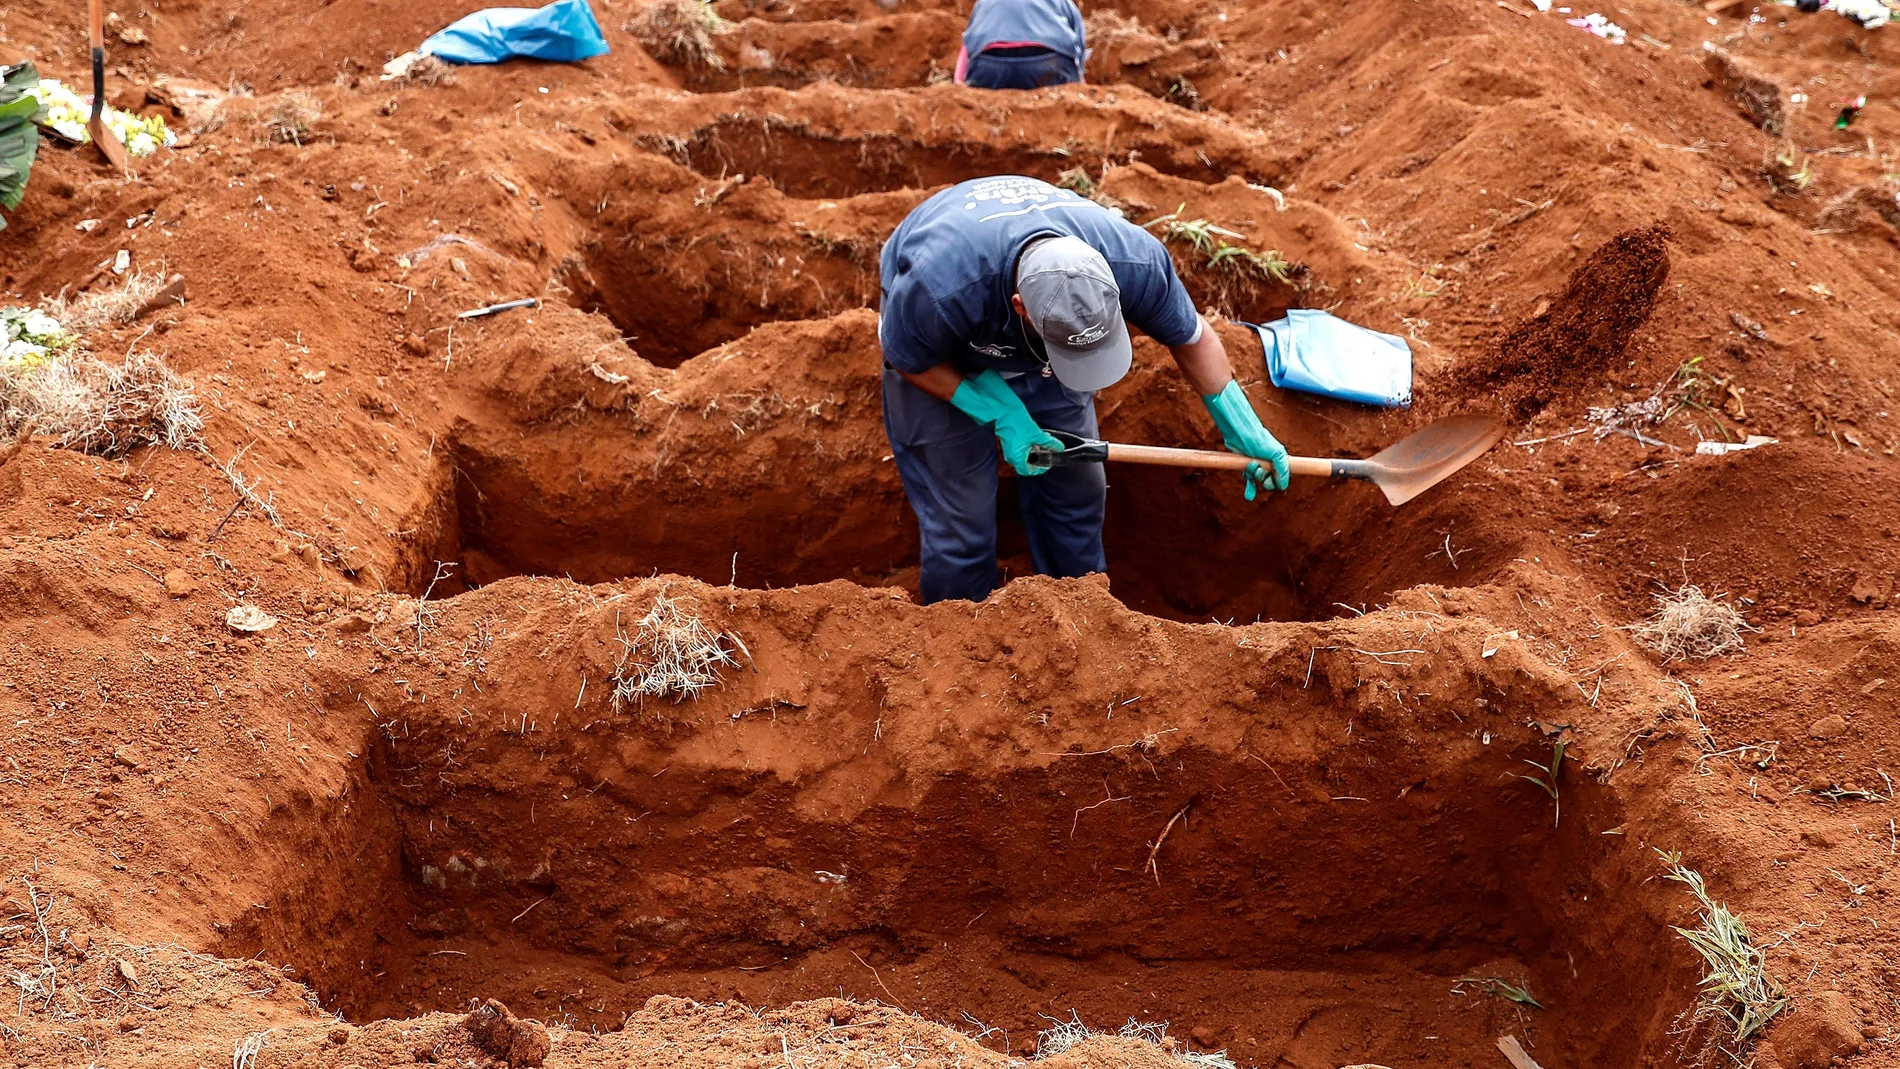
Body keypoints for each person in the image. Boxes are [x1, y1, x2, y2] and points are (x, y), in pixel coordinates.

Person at [878, 175, 1290, 605]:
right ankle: (959, 639)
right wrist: (1001, 413)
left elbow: (1191, 337)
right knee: (963, 524)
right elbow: (909, 358)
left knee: (1076, 492)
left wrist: (1241, 425)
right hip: (941, 347)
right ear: (1021, 307)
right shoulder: (938, 288)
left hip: (1026, 325)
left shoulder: (1133, 261)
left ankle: (1081, 618)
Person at [953, 0, 1087, 90]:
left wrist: (959, 83)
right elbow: (1078, 40)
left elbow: (968, 44)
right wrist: (1079, 82)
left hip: (990, 68)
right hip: (1048, 65)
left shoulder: (984, 2)